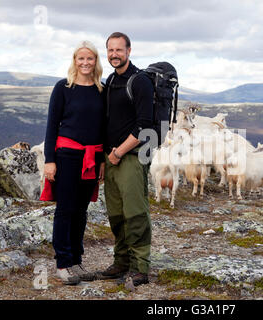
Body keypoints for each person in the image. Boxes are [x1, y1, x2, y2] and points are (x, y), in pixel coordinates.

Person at [41, 40, 106, 285]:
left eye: (90, 58)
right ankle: (63, 264)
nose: (85, 63)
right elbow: (51, 126)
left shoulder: (102, 89)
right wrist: (50, 161)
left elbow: (103, 129)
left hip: (91, 158)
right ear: (75, 61)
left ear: (96, 61)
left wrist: (101, 161)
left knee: (81, 211)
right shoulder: (63, 88)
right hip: (66, 157)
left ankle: (77, 259)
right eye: (81, 58)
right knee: (65, 209)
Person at [92, 32, 154, 287]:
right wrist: (106, 158)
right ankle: (121, 262)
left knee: (135, 213)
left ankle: (141, 267)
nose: (114, 54)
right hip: (112, 158)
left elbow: (144, 126)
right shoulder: (111, 81)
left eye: (119, 50)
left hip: (131, 157)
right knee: (116, 214)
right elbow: (108, 123)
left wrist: (118, 153)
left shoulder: (140, 81)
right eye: (110, 50)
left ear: (129, 51)